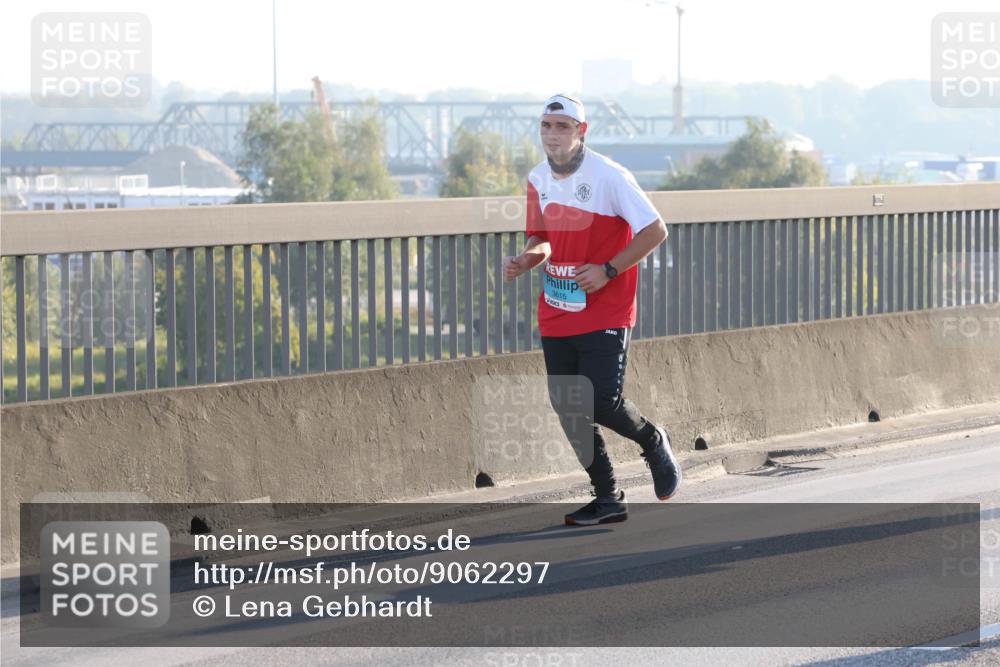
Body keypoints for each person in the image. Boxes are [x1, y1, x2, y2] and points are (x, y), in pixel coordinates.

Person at [503, 94, 682, 526]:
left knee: (601, 400)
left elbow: (655, 229)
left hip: (606, 307)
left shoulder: (609, 176)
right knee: (568, 404)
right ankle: (607, 497)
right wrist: (527, 259)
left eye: (562, 126)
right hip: (557, 307)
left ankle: (652, 439)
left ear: (581, 131)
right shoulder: (536, 178)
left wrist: (608, 269)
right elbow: (541, 239)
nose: (552, 134)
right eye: (546, 125)